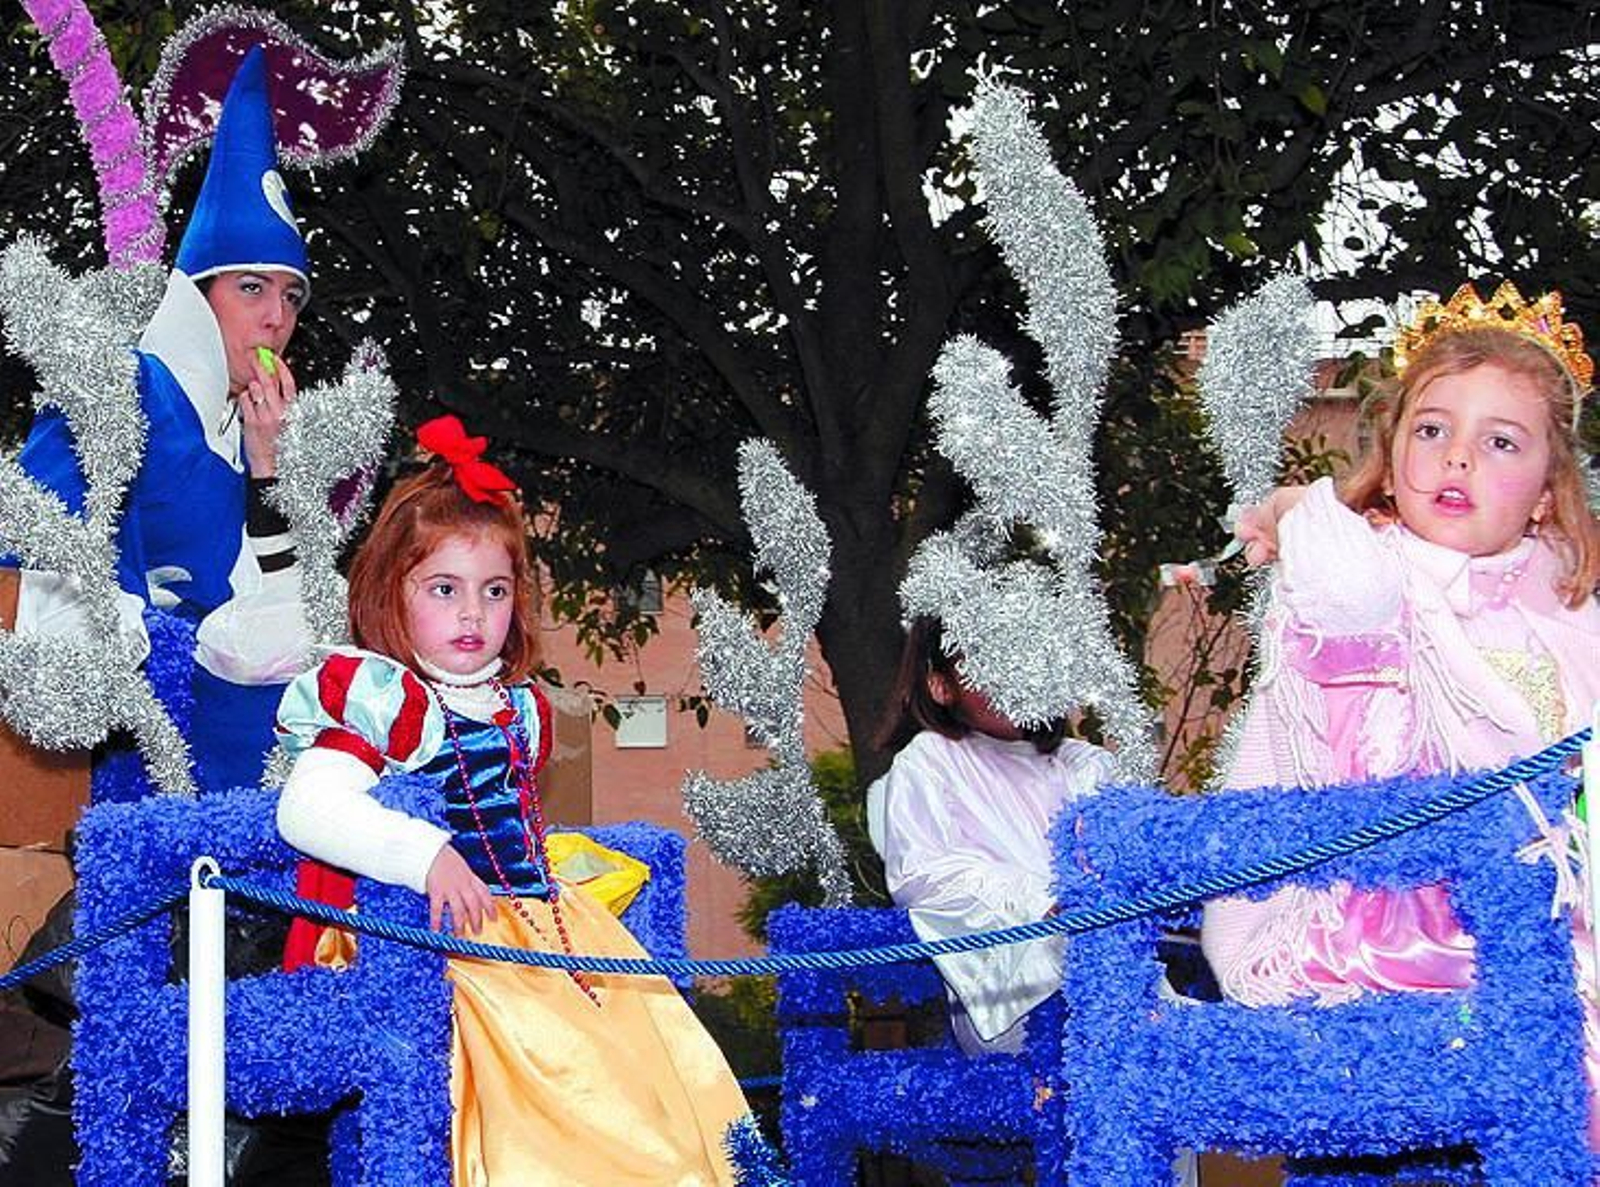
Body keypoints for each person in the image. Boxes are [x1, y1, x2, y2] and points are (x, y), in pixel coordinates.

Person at [273, 416, 750, 1185]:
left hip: (537, 923)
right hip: (434, 940)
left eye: (494, 590)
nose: (472, 614)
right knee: (553, 1078)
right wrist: (425, 854)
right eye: (444, 588)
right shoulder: (389, 699)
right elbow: (307, 808)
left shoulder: (515, 706)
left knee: (643, 1054)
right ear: (387, 592)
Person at [1200, 283, 1600, 1129]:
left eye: (1499, 441)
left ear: (1546, 490)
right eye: (1432, 429)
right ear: (1391, 454)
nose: (1457, 458)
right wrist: (1296, 507)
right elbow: (1339, 577)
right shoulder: (1370, 582)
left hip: (1541, 929)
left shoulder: (1563, 607)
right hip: (1381, 923)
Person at [5, 45, 311, 794]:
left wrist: (270, 468)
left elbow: (274, 622)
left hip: (209, 741)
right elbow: (37, 554)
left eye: (293, 297)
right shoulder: (119, 386)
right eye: (251, 289)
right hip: (94, 750)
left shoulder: (245, 439)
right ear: (196, 296)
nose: (277, 318)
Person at [868, 616, 1116, 1057]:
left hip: (1115, 972)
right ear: (942, 685)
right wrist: (1043, 902)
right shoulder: (929, 761)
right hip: (1013, 994)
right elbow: (923, 875)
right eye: (988, 658)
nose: (1013, 670)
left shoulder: (1086, 765)